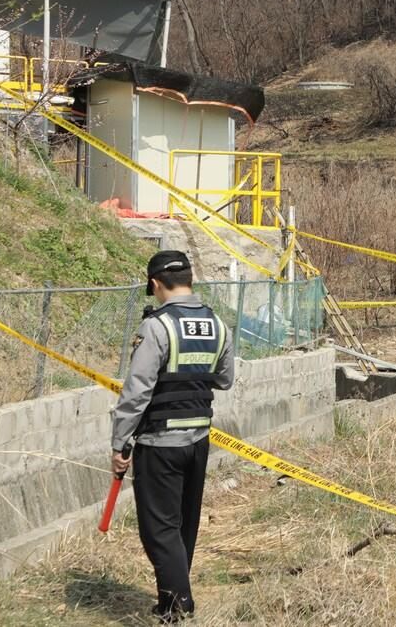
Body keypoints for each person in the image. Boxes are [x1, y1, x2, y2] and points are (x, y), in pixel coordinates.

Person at [111, 251, 235, 623]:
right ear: (190, 280)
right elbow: (225, 379)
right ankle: (168, 603)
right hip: (198, 441)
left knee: (158, 529)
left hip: (158, 444)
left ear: (155, 284)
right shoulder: (217, 323)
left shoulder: (157, 327)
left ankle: (181, 604)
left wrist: (120, 443)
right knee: (183, 525)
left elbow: (137, 391)